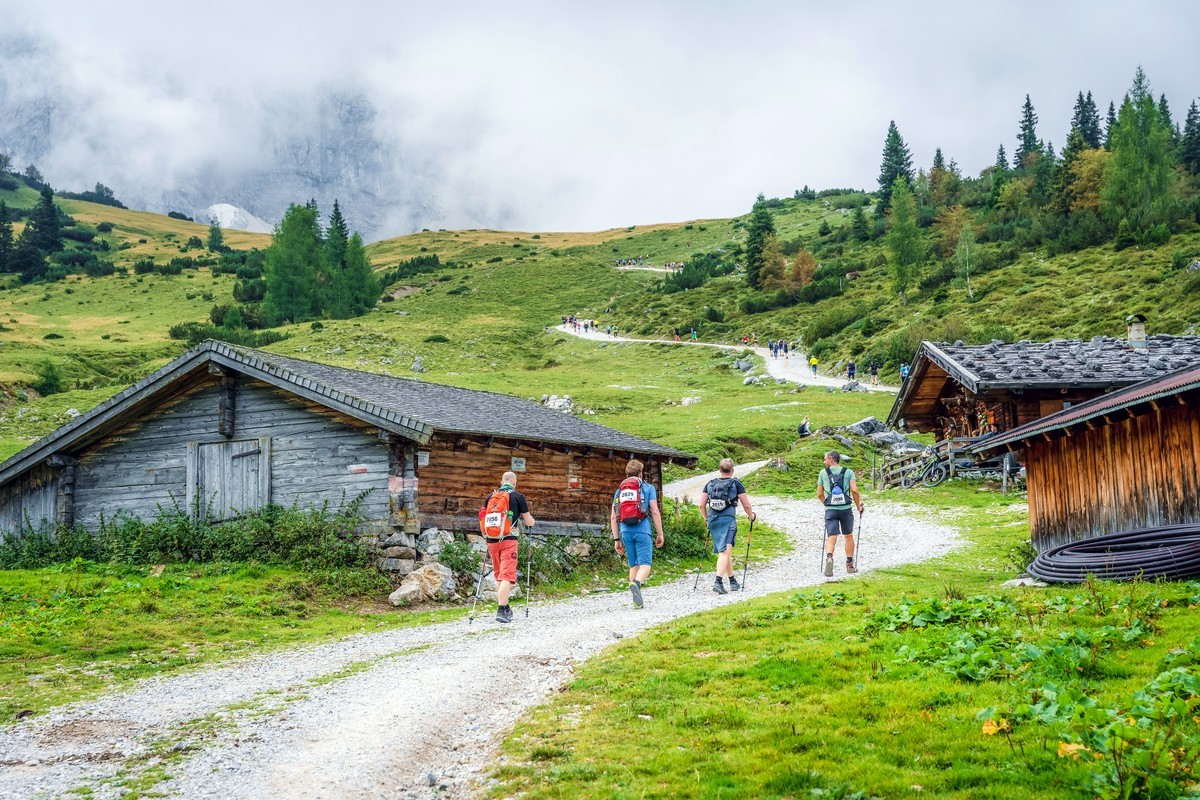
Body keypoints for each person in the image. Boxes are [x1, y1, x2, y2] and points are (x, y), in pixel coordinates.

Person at [479, 471, 535, 623]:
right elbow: (528, 521)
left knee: (499, 575)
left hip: (491, 540)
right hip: (509, 540)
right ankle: (501, 610)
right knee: (507, 576)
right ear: (515, 482)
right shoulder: (518, 497)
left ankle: (505, 607)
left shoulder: (490, 497)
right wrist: (532, 522)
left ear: (501, 481)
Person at [610, 459, 665, 608]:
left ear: (626, 474)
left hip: (625, 531)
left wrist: (616, 539)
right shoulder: (647, 488)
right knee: (645, 564)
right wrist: (660, 533)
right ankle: (637, 584)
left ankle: (636, 600)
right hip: (642, 530)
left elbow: (614, 516)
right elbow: (654, 510)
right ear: (641, 473)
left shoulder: (619, 491)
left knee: (633, 564)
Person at [699, 458, 757, 595]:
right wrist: (751, 516)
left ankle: (732, 581)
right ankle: (718, 581)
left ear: (720, 470)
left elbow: (701, 505)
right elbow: (746, 504)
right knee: (724, 551)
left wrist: (707, 519)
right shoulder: (736, 483)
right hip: (728, 520)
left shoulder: (710, 484)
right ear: (732, 470)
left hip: (713, 519)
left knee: (724, 550)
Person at [816, 451, 864, 577]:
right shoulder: (848, 472)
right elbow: (854, 490)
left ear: (831, 459)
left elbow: (819, 494)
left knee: (832, 536)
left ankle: (829, 558)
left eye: (825, 459)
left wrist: (826, 504)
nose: (824, 461)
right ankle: (849, 564)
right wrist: (858, 506)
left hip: (830, 509)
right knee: (848, 535)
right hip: (846, 509)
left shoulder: (823, 473)